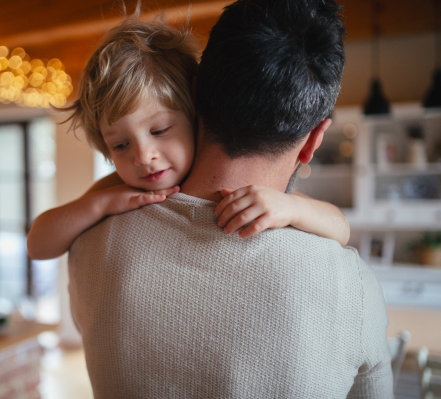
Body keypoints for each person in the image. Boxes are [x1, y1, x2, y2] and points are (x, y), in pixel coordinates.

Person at [64, 0, 394, 398]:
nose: (143, 156)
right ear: (313, 141)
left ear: (196, 92)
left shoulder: (89, 242)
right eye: (120, 144)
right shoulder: (350, 286)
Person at [27, 16, 350, 262]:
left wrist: (292, 208)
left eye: (159, 131)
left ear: (197, 112)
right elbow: (38, 246)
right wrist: (99, 204)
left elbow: (340, 228)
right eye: (120, 145)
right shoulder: (115, 189)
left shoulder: (248, 183)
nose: (143, 156)